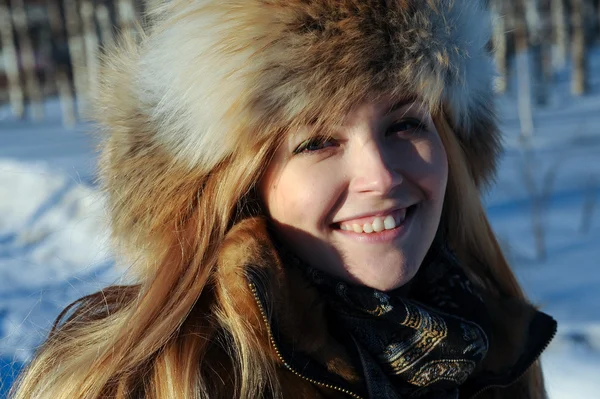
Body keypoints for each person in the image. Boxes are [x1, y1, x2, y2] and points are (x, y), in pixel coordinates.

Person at [11, 0, 557, 398]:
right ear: (240, 183)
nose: (381, 177)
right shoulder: (164, 383)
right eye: (318, 141)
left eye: (405, 123)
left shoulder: (490, 351)